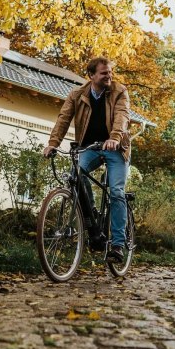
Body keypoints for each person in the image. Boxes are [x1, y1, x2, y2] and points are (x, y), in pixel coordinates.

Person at [44, 57, 131, 265]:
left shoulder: (120, 91)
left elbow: (122, 116)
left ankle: (118, 244)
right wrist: (53, 143)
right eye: (104, 73)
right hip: (89, 147)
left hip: (116, 148)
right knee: (76, 176)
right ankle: (91, 221)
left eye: (110, 72)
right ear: (91, 76)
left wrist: (115, 137)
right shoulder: (77, 94)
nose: (109, 76)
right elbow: (63, 118)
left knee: (116, 191)